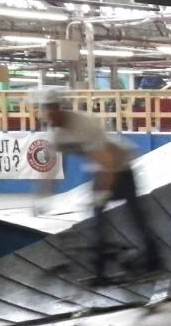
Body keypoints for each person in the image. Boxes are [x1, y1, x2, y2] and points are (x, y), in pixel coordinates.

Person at [39, 90, 161, 284]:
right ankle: (100, 270)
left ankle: (154, 261)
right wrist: (43, 196)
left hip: (120, 167)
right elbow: (53, 168)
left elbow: (109, 161)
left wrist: (103, 193)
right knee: (98, 221)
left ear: (58, 110)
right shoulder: (59, 134)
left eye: (51, 115)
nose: (49, 120)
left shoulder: (83, 124)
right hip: (100, 168)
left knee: (134, 215)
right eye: (46, 116)